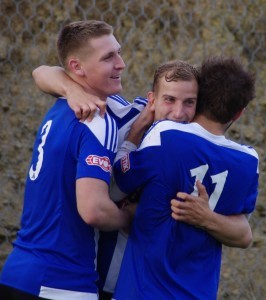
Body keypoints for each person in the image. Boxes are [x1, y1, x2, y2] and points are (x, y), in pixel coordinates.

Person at [30, 59, 253, 299]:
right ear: (152, 100)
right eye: (169, 100)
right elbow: (42, 72)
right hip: (93, 274)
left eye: (189, 102)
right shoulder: (119, 115)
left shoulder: (187, 144)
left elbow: (243, 234)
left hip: (135, 285)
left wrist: (206, 217)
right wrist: (73, 91)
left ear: (200, 105)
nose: (178, 113)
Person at [0, 20, 136, 300]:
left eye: (118, 52)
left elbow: (42, 71)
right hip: (63, 283)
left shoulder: (63, 106)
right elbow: (94, 210)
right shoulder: (97, 119)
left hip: (18, 272)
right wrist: (131, 217)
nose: (121, 63)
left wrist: (71, 88)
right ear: (76, 68)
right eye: (108, 57)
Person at [111, 56, 259, 299]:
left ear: (199, 100)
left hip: (142, 291)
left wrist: (134, 135)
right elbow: (243, 233)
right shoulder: (248, 161)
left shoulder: (165, 134)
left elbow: (117, 187)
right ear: (240, 113)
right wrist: (208, 218)